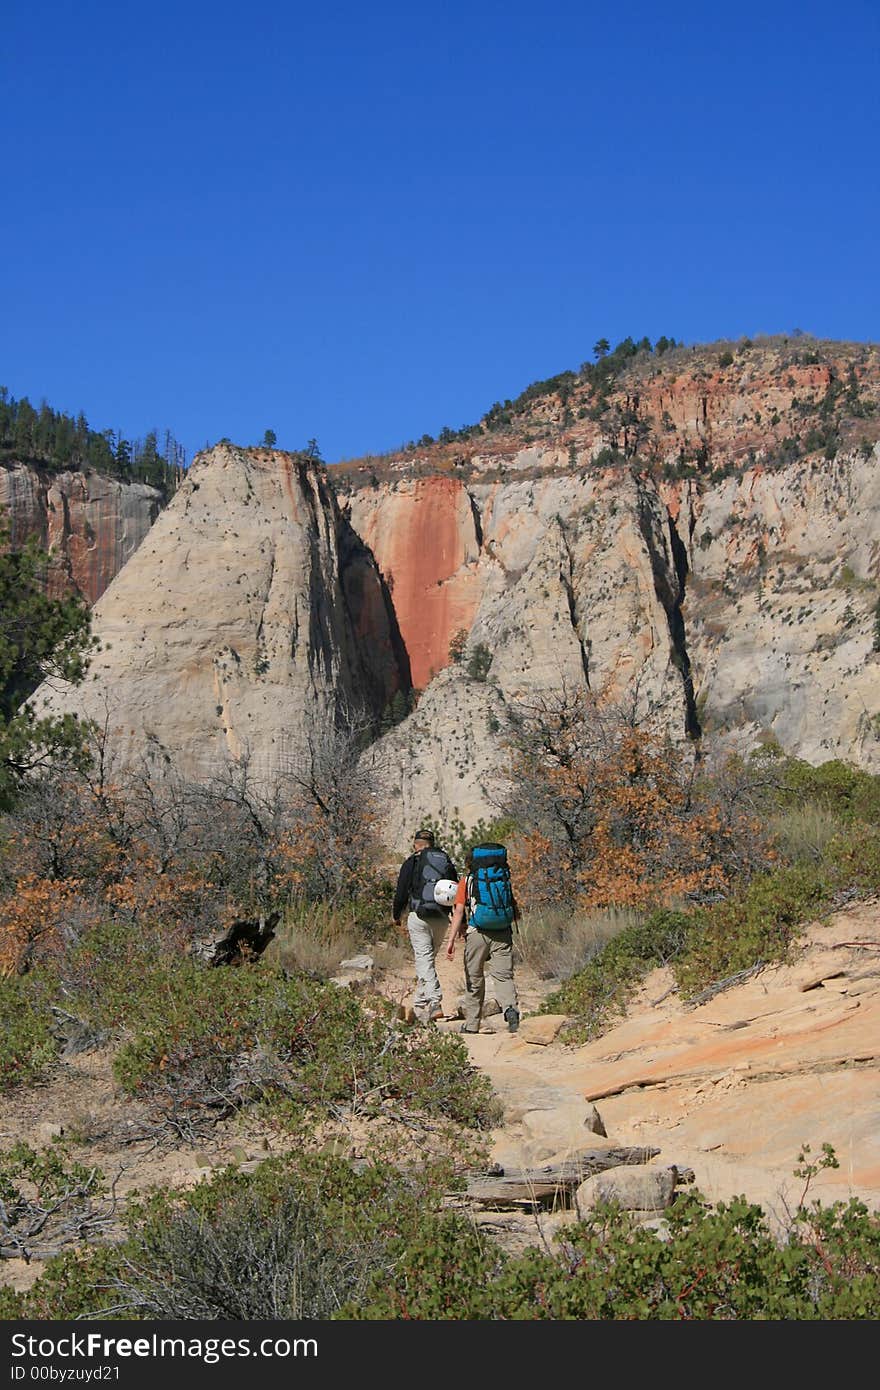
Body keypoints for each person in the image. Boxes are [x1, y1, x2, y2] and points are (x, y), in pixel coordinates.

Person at [445, 848, 520, 1034]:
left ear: (470, 863)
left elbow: (459, 912)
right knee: (503, 976)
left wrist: (451, 940)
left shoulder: (467, 881)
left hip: (477, 933)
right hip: (502, 931)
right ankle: (510, 1009)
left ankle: (472, 1025)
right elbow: (514, 908)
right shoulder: (501, 878)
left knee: (474, 977)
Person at [392, 828, 458, 1024]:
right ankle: (419, 1007)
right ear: (433, 843)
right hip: (441, 917)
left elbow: (401, 891)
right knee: (427, 961)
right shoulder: (445, 861)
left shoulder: (411, 862)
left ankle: (435, 1003)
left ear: (415, 844)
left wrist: (397, 914)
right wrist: (459, 920)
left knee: (424, 960)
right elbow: (455, 890)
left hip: (419, 915)